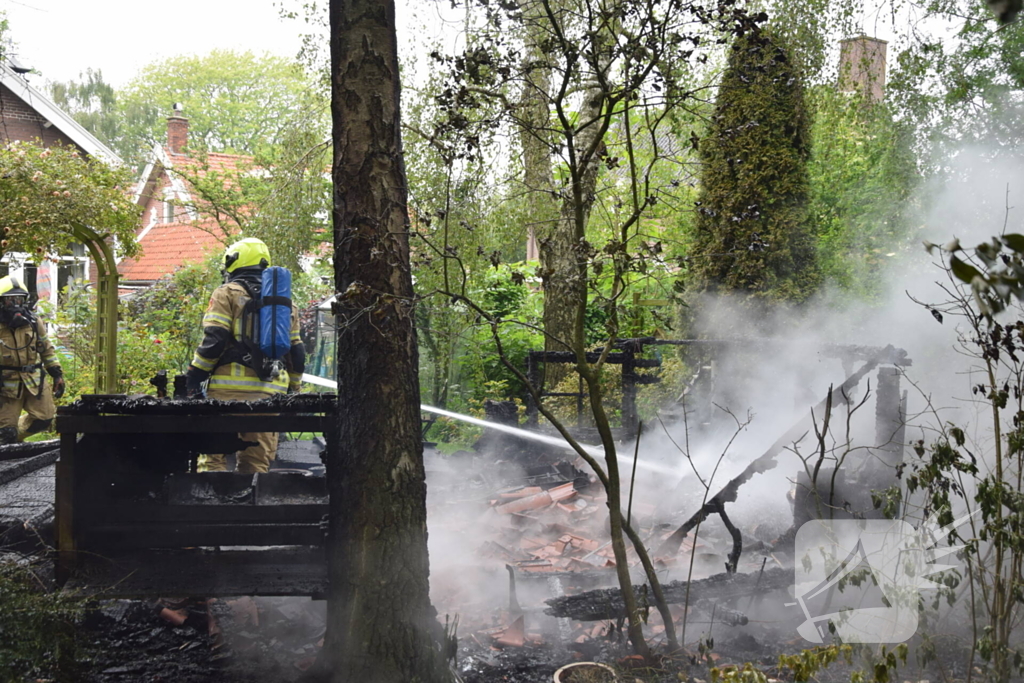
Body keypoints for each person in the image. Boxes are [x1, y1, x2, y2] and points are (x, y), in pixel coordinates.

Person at [185, 238, 305, 473]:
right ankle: (251, 504)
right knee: (256, 465)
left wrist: (195, 375)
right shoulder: (285, 304)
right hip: (269, 395)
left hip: (225, 396)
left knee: (212, 460)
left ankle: (211, 505)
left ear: (233, 262)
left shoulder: (226, 294)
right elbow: (297, 353)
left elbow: (215, 339)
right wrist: (294, 389)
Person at [0, 275, 64, 444]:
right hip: (6, 386)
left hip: (34, 382)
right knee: (5, 432)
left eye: (20, 299)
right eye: (10, 300)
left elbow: (47, 349)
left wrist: (56, 374)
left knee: (44, 419)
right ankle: (9, 442)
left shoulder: (34, 322)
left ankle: (14, 438)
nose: (16, 304)